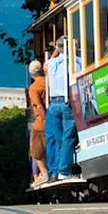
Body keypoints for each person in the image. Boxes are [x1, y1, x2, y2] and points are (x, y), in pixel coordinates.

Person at [45, 36, 82, 182]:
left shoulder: (51, 62)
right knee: (68, 138)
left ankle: (53, 171)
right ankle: (64, 171)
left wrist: (57, 48)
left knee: (55, 139)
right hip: (67, 102)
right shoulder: (75, 62)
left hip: (53, 103)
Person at [27, 60, 49, 187]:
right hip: (53, 118)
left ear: (31, 74)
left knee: (35, 150)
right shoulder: (48, 81)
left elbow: (39, 106)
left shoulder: (34, 88)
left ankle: (44, 173)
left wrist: (46, 119)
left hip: (41, 122)